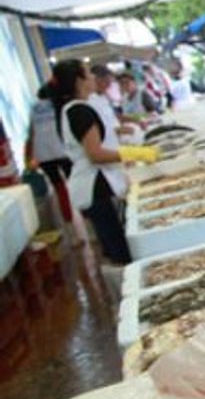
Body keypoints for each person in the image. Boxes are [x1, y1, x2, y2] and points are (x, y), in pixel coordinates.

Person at [47, 60, 156, 265]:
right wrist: (137, 153)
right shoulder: (80, 111)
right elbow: (95, 154)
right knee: (120, 252)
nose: (92, 78)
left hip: (96, 185)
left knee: (113, 247)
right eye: (88, 74)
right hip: (97, 187)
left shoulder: (73, 108)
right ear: (78, 81)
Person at [25, 84, 73, 221]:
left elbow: (31, 134)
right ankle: (86, 218)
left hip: (43, 155)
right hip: (62, 150)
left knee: (59, 189)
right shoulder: (58, 105)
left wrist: (29, 157)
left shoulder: (34, 108)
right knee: (75, 184)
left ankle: (68, 223)